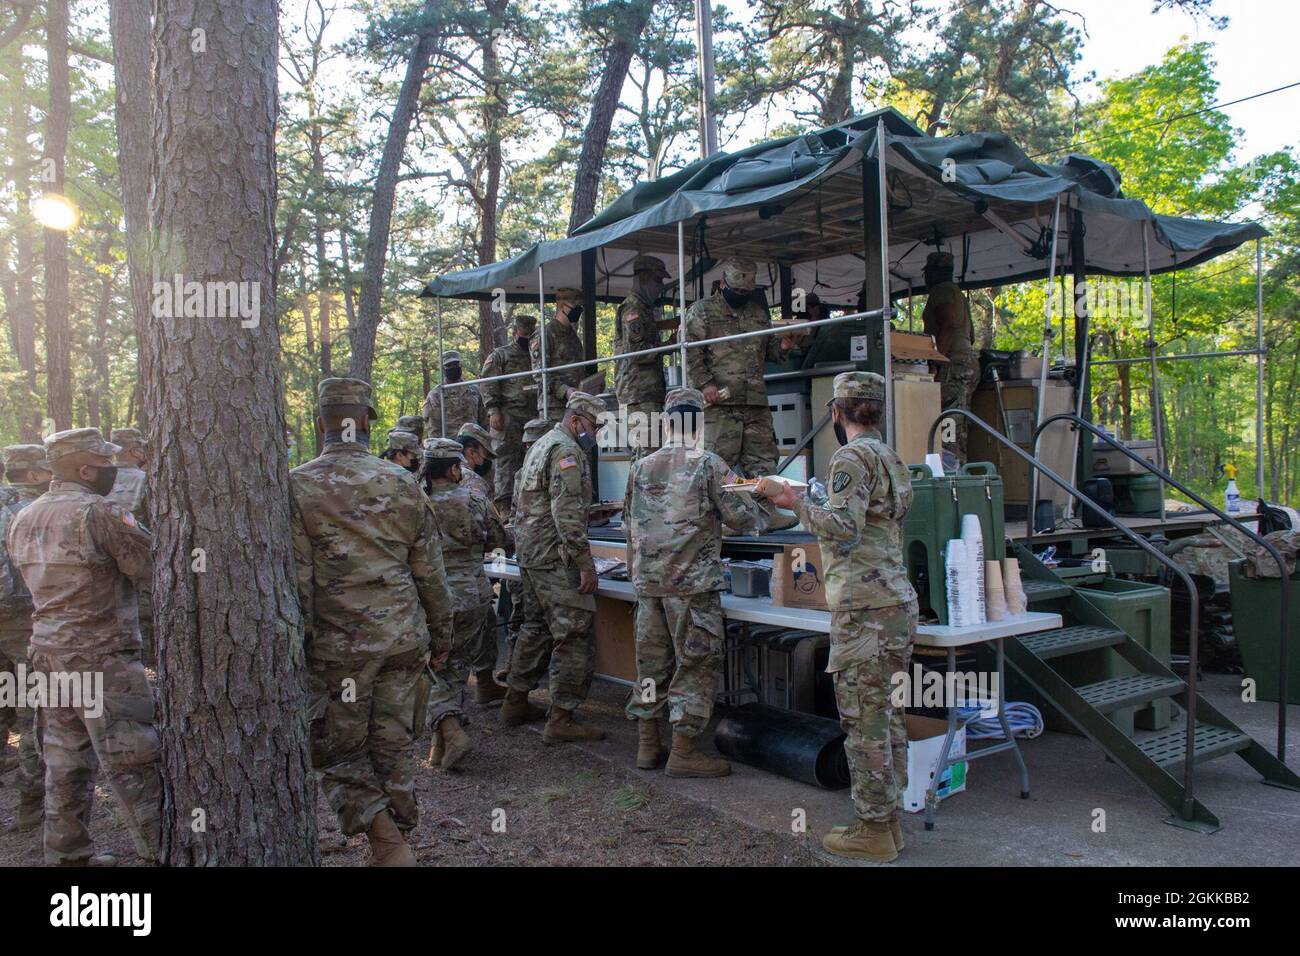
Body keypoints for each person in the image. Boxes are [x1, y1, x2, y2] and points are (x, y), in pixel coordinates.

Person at [290, 377, 454, 867]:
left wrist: (296, 646)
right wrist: (441, 635)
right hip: (402, 638)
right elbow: (430, 571)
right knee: (393, 743)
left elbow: (297, 579)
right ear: (366, 422)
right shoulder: (402, 481)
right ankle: (396, 840)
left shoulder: (295, 485)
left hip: (339, 649)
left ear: (320, 423)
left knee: (336, 750)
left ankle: (386, 842)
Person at [760, 371, 917, 862]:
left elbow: (844, 528)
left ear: (836, 413)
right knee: (887, 717)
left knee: (864, 718)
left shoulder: (849, 457)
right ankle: (888, 822)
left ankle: (872, 830)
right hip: (894, 602)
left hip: (864, 609)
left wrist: (795, 501)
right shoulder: (890, 455)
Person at [6, 428, 160, 866]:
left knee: (64, 761)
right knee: (135, 761)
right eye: (107, 463)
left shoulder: (26, 515)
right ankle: (161, 851)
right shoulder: (101, 513)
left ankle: (67, 855)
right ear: (86, 468)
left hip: (47, 652)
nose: (114, 470)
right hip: (101, 656)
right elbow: (151, 569)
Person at [623, 387, 762, 775]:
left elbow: (628, 525)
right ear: (698, 424)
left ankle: (648, 746)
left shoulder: (641, 466)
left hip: (649, 586)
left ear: (667, 423)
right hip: (692, 588)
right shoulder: (710, 465)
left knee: (650, 666)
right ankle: (683, 751)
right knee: (696, 664)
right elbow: (743, 517)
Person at [501, 392, 605, 742]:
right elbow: (566, 513)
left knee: (535, 628)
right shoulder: (567, 451)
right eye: (594, 426)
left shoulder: (542, 444)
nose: (597, 433)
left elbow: (530, 501)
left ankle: (515, 700)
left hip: (530, 554)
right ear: (576, 420)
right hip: (554, 558)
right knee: (574, 635)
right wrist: (585, 564)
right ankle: (561, 719)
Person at [685, 257, 802, 531]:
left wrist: (784, 345)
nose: (740, 297)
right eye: (736, 291)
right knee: (717, 463)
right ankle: (715, 519)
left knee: (763, 461)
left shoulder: (758, 313)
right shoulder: (701, 312)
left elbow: (770, 352)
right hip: (721, 403)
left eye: (746, 293)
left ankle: (765, 512)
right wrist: (705, 385)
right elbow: (691, 353)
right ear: (722, 284)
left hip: (755, 401)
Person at [421, 438, 511, 770]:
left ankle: (450, 734)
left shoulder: (417, 502)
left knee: (430, 668)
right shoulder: (476, 499)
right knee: (455, 666)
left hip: (433, 598)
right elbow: (500, 542)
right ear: (453, 468)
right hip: (473, 595)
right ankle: (441, 744)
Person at [0, 444, 52, 833]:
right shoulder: (35, 514)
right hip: (23, 623)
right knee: (30, 711)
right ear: (33, 474)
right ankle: (31, 807)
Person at [500, 416, 552, 675]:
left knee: (528, 615)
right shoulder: (523, 473)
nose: (529, 449)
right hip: (531, 552)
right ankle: (514, 666)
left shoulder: (525, 473)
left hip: (527, 551)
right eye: (527, 445)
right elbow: (514, 514)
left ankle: (519, 670)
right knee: (523, 614)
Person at [921, 251, 979, 462]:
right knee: (957, 423)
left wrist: (936, 360)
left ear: (934, 274)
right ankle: (956, 470)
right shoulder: (957, 293)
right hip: (965, 362)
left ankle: (951, 477)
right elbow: (970, 334)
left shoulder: (942, 291)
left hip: (953, 364)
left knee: (948, 424)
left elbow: (948, 322)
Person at [482, 314, 538, 519]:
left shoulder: (536, 354)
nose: (526, 339)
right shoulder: (500, 355)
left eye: (529, 335)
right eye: (523, 335)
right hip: (508, 415)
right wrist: (493, 410)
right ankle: (504, 508)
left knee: (529, 461)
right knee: (506, 461)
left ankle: (526, 505)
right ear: (514, 333)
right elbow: (488, 383)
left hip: (532, 415)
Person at [614, 255, 670, 455]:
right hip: (639, 393)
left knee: (650, 451)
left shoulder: (643, 308)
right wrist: (669, 345)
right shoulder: (633, 308)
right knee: (647, 453)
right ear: (644, 277)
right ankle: (639, 488)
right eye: (658, 280)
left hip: (646, 392)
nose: (660, 286)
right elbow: (638, 353)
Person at [531, 289, 587, 423]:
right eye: (575, 306)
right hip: (554, 407)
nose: (578, 310)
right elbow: (540, 375)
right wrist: (565, 391)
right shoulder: (545, 334)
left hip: (575, 404)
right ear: (562, 305)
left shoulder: (572, 335)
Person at [423, 349, 486, 438]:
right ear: (443, 369)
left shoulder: (474, 390)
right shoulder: (436, 394)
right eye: (449, 366)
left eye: (456, 365)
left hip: (474, 442)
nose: (453, 368)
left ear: (460, 365)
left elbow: (484, 420)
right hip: (450, 446)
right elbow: (434, 430)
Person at [455, 421, 496, 499]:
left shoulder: (447, 471)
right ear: (471, 453)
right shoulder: (474, 481)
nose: (486, 460)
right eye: (485, 454)